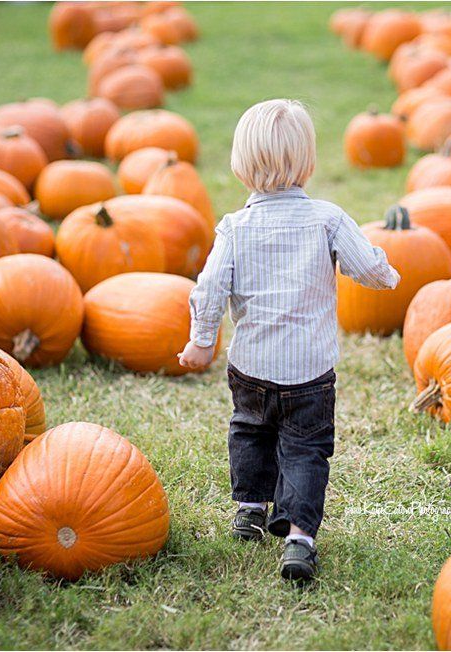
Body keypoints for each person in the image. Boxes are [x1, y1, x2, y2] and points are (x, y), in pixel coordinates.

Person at [179, 98, 400, 581]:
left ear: (240, 166)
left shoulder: (234, 228)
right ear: (309, 162)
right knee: (306, 449)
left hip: (251, 367)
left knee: (250, 431)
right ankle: (300, 539)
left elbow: (210, 286)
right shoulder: (328, 218)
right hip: (310, 374)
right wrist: (387, 275)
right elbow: (368, 267)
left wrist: (201, 339)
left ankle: (250, 509)